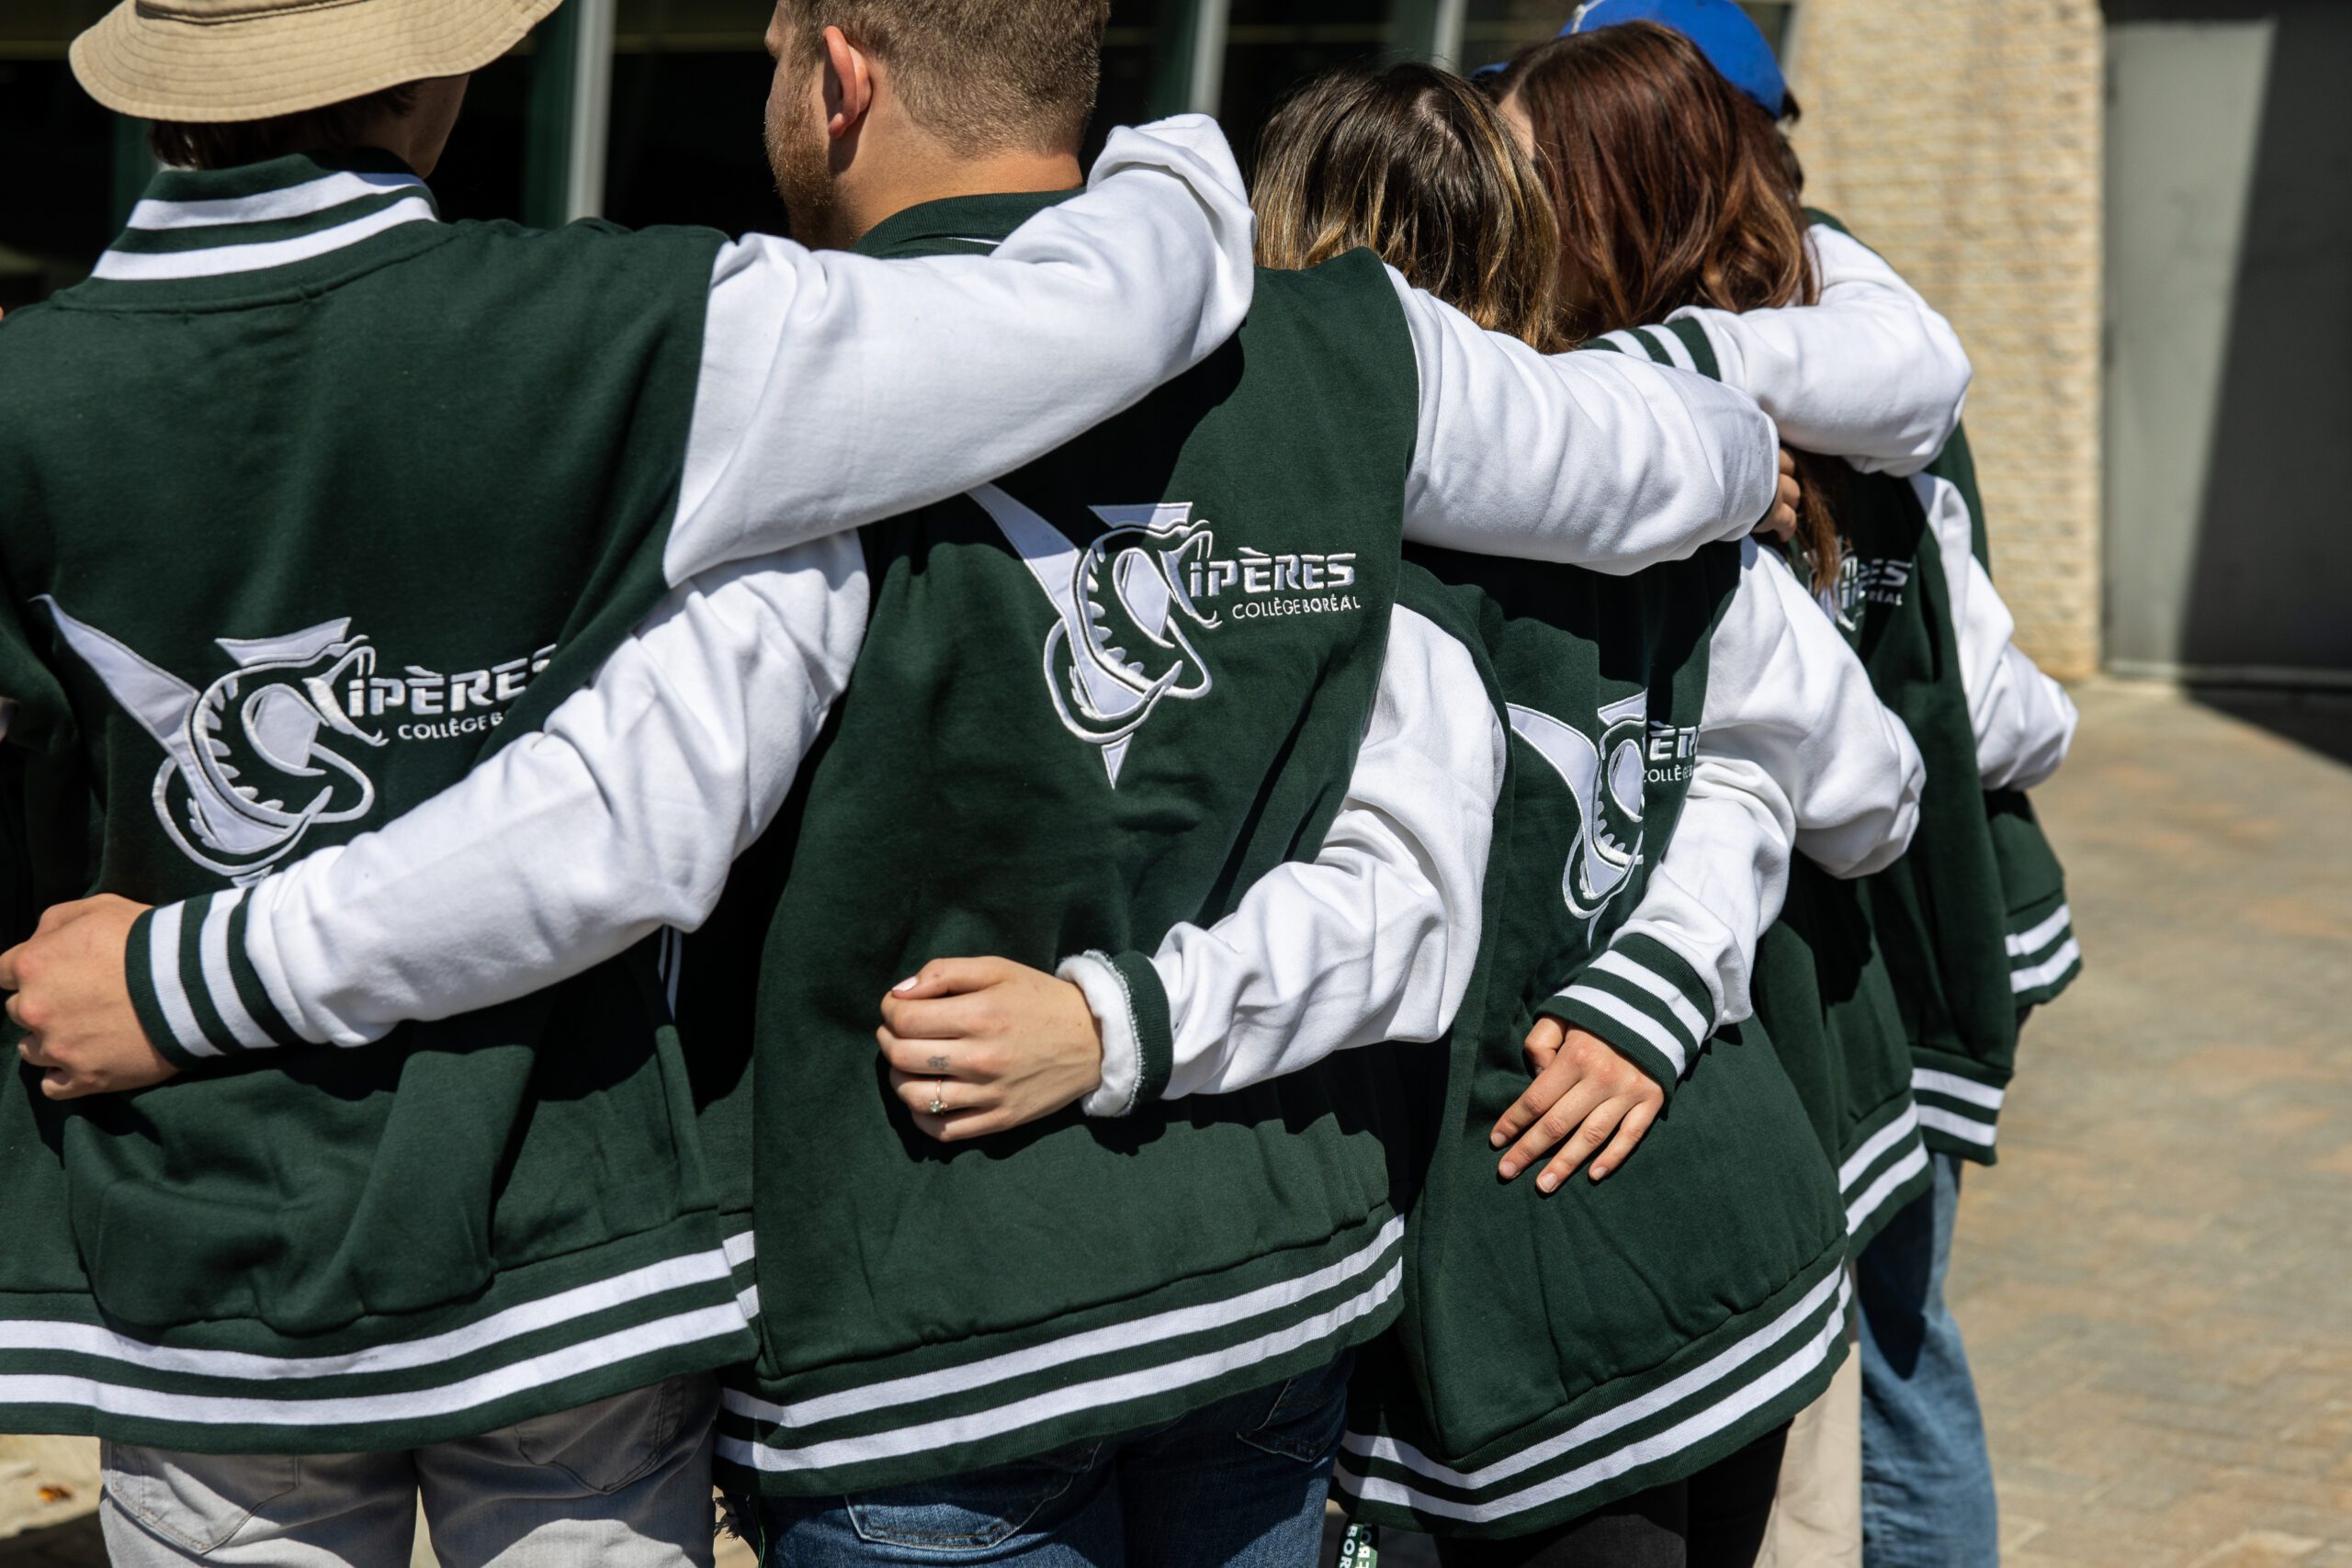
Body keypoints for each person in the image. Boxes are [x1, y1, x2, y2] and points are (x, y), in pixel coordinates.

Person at [2, 1, 1794, 1562]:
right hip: (1251, 1281)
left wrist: (182, 969)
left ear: (838, 83)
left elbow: (621, 825)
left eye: (780, 46)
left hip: (903, 1325)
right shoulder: (1344, 352)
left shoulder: (776, 394)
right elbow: (1685, 457)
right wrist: (1180, 178)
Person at [1236, 62, 1919, 1566]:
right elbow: (1868, 787)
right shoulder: (1667, 483)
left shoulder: (1292, 556)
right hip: (1726, 1218)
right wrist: (1670, 952)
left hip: (1521, 1298)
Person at [1499, 11, 2079, 1566]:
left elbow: (1964, 720)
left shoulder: (1754, 404)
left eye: (1546, 167)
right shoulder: (1826, 366)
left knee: (1873, 1378)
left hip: (1847, 973)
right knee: (1887, 1363)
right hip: (1847, 958)